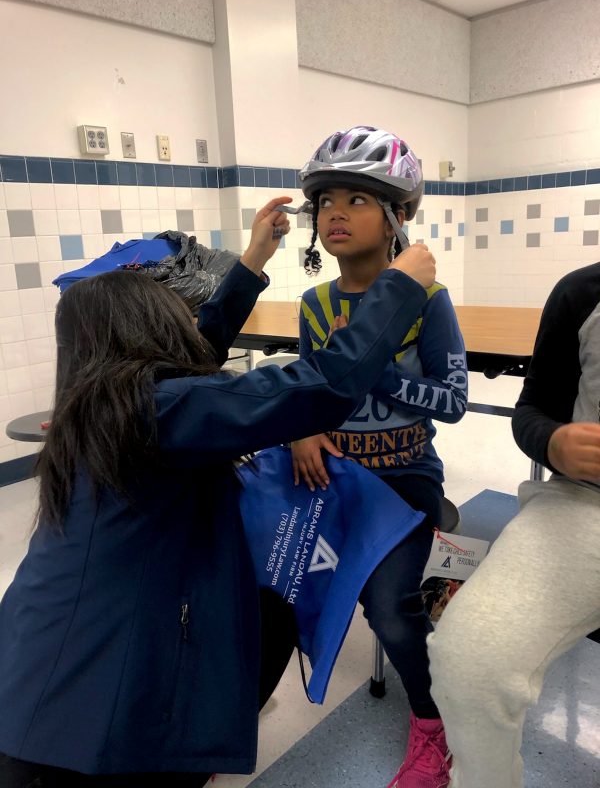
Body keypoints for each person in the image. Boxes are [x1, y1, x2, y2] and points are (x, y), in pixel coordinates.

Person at [0, 196, 437, 787]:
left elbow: (191, 358)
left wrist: (255, 261)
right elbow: (320, 387)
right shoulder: (163, 410)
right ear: (150, 324)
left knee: (266, 615)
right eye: (181, 314)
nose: (192, 325)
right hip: (79, 731)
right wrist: (399, 290)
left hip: (27, 668)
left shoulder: (102, 401)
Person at [290, 126, 468, 788]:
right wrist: (300, 431)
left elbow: (451, 402)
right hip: (336, 481)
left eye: (359, 199)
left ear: (400, 216)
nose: (336, 211)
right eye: (327, 199)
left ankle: (431, 727)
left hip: (405, 483)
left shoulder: (427, 303)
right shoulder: (315, 306)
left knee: (391, 607)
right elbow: (307, 393)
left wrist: (377, 373)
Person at [427, 261, 600, 788]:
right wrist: (553, 442)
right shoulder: (582, 293)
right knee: (467, 658)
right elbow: (533, 409)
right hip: (584, 504)